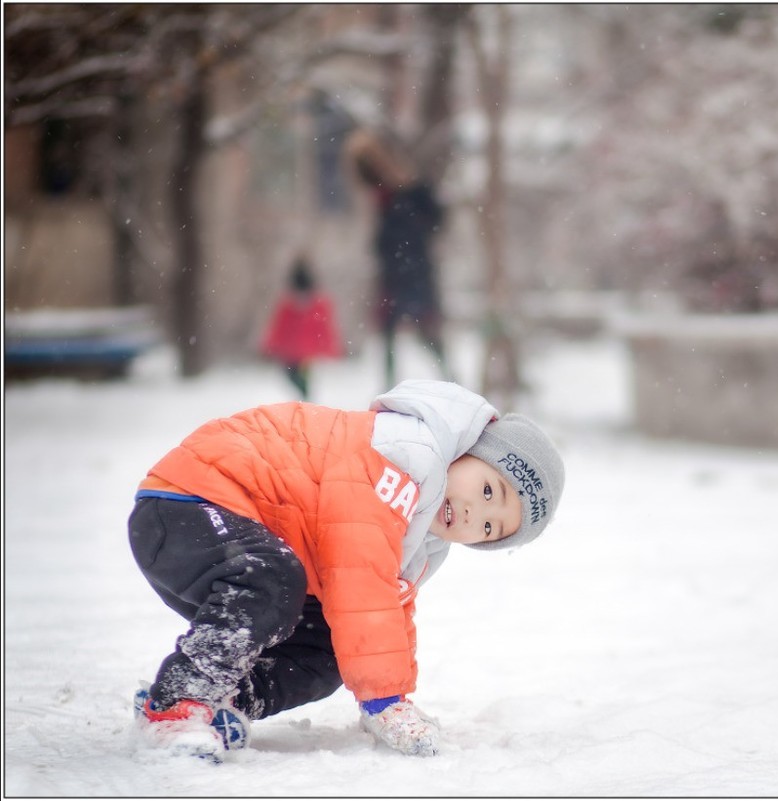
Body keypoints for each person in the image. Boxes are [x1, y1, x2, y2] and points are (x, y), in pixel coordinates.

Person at [127, 379, 565, 760]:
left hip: (240, 536)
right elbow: (360, 575)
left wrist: (392, 691)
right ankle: (178, 702)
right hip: (191, 501)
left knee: (328, 650)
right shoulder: (402, 458)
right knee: (271, 580)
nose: (474, 514)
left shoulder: (421, 535)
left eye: (490, 528)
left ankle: (224, 700)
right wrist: (385, 699)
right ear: (468, 451)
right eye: (488, 489)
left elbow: (385, 609)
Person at [346, 128, 454, 388]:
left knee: (423, 333)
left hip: (411, 270)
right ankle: (392, 387)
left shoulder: (411, 192)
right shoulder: (388, 194)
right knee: (394, 334)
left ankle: (451, 383)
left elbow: (435, 221)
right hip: (397, 271)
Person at [260, 257, 343, 400]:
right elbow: (279, 329)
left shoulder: (317, 306)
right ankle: (305, 401)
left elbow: (324, 330)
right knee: (294, 379)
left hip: (304, 355)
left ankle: (305, 403)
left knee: (303, 382)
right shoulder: (288, 307)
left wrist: (332, 349)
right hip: (290, 354)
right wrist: (269, 347)